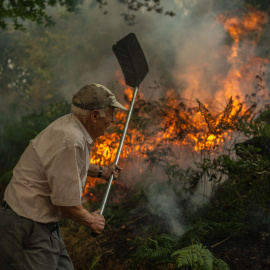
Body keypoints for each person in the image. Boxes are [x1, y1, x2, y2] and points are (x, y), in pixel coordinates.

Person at [0, 83, 127, 270]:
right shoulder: (71, 139)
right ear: (94, 115)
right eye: (110, 115)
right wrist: (91, 220)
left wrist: (102, 172)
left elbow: (65, 166)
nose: (112, 121)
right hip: (26, 225)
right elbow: (65, 203)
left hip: (41, 224)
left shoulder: (71, 126)